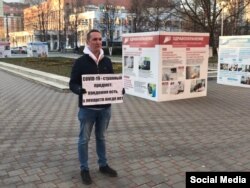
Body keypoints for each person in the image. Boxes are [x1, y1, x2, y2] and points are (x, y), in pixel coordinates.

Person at [69, 29, 121, 185]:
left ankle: (103, 165)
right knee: (84, 140)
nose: (98, 42)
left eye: (100, 39)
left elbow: (111, 81)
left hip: (105, 109)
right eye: (95, 39)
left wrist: (119, 89)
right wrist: (79, 90)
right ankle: (84, 169)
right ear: (88, 42)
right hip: (87, 110)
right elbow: (72, 83)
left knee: (101, 137)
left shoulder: (107, 61)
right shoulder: (80, 62)